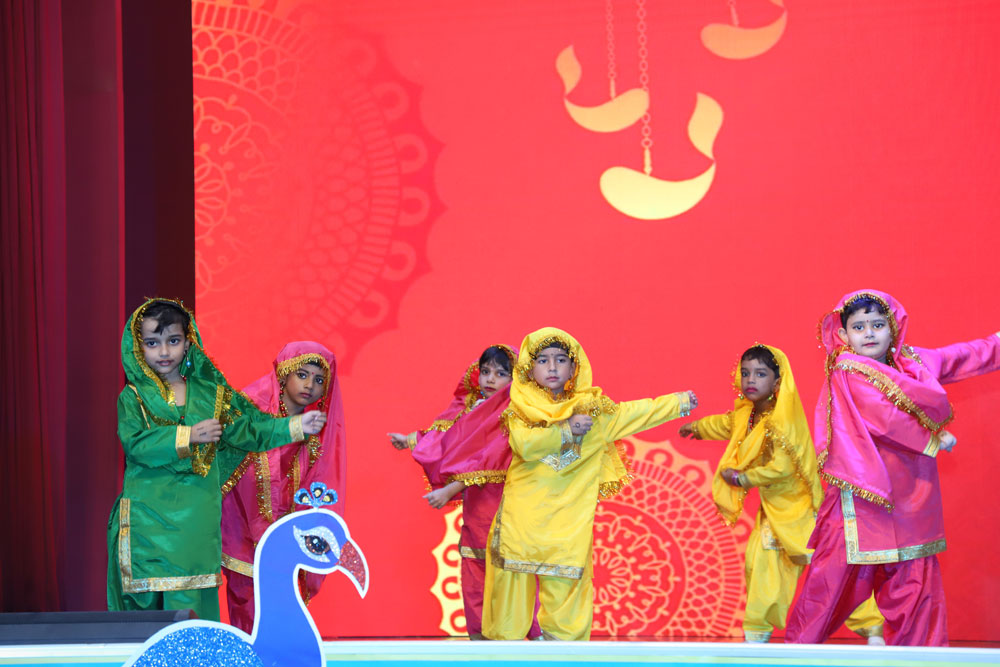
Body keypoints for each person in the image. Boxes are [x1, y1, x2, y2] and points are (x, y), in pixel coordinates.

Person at [786, 290, 1000, 645]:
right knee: (829, 583)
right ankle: (796, 654)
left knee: (914, 583)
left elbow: (957, 358)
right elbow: (883, 416)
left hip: (910, 500)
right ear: (844, 334)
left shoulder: (912, 363)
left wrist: (996, 343)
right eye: (859, 327)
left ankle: (921, 657)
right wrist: (932, 437)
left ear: (893, 328)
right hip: (862, 500)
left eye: (877, 325)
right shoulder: (848, 369)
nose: (869, 333)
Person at [107, 299, 326, 621]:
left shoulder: (212, 394)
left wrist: (294, 426)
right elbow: (135, 444)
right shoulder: (133, 397)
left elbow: (249, 429)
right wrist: (188, 436)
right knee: (146, 613)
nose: (164, 352)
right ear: (139, 349)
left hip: (195, 523)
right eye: (152, 343)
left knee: (193, 608)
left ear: (188, 343)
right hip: (147, 521)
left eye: (173, 341)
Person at [482, 327, 697, 641]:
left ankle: (565, 654)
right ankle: (503, 656)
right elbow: (525, 445)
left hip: (568, 523)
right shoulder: (520, 408)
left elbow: (635, 412)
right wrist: (566, 430)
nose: (552, 367)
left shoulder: (594, 412)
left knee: (567, 594)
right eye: (543, 360)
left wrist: (678, 403)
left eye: (560, 360)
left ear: (574, 367)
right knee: (510, 598)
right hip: (523, 519)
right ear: (529, 367)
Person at [679, 344, 883, 643]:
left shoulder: (783, 420)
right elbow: (726, 424)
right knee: (761, 565)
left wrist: (742, 477)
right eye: (745, 373)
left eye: (760, 374)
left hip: (800, 511)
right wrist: (697, 427)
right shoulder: (747, 415)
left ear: (777, 382)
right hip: (772, 512)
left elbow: (782, 468)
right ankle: (756, 634)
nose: (751, 379)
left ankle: (871, 628)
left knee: (830, 572)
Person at [390, 345, 541, 639]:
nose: (490, 379)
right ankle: (478, 639)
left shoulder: (514, 415)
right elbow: (448, 437)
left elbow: (490, 458)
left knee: (513, 569)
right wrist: (409, 440)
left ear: (516, 379)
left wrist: (450, 490)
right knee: (474, 565)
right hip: (477, 507)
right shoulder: (472, 408)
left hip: (506, 503)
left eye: (500, 373)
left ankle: (530, 634)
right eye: (485, 371)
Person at [221, 341, 345, 633]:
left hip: (287, 529)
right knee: (249, 603)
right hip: (242, 525)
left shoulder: (317, 429)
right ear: (284, 374)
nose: (310, 385)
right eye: (302, 375)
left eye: (319, 380)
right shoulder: (251, 411)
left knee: (285, 608)